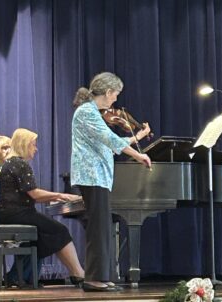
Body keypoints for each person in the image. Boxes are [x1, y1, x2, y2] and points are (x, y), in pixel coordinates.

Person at [71, 72, 152, 292]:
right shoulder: (86, 112)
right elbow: (110, 139)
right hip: (92, 175)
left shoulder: (93, 113)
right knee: (98, 228)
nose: (115, 99)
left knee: (102, 227)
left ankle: (101, 276)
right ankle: (93, 279)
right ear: (107, 92)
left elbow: (112, 141)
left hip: (99, 176)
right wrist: (138, 155)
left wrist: (139, 137)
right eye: (115, 94)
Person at [0, 128, 85, 286]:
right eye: (33, 145)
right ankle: (78, 273)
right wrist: (60, 195)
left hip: (10, 213)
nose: (36, 149)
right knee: (60, 231)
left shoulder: (9, 163)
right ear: (24, 145)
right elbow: (35, 194)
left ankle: (18, 276)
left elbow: (24, 195)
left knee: (43, 236)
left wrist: (52, 198)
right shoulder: (20, 164)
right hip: (20, 214)